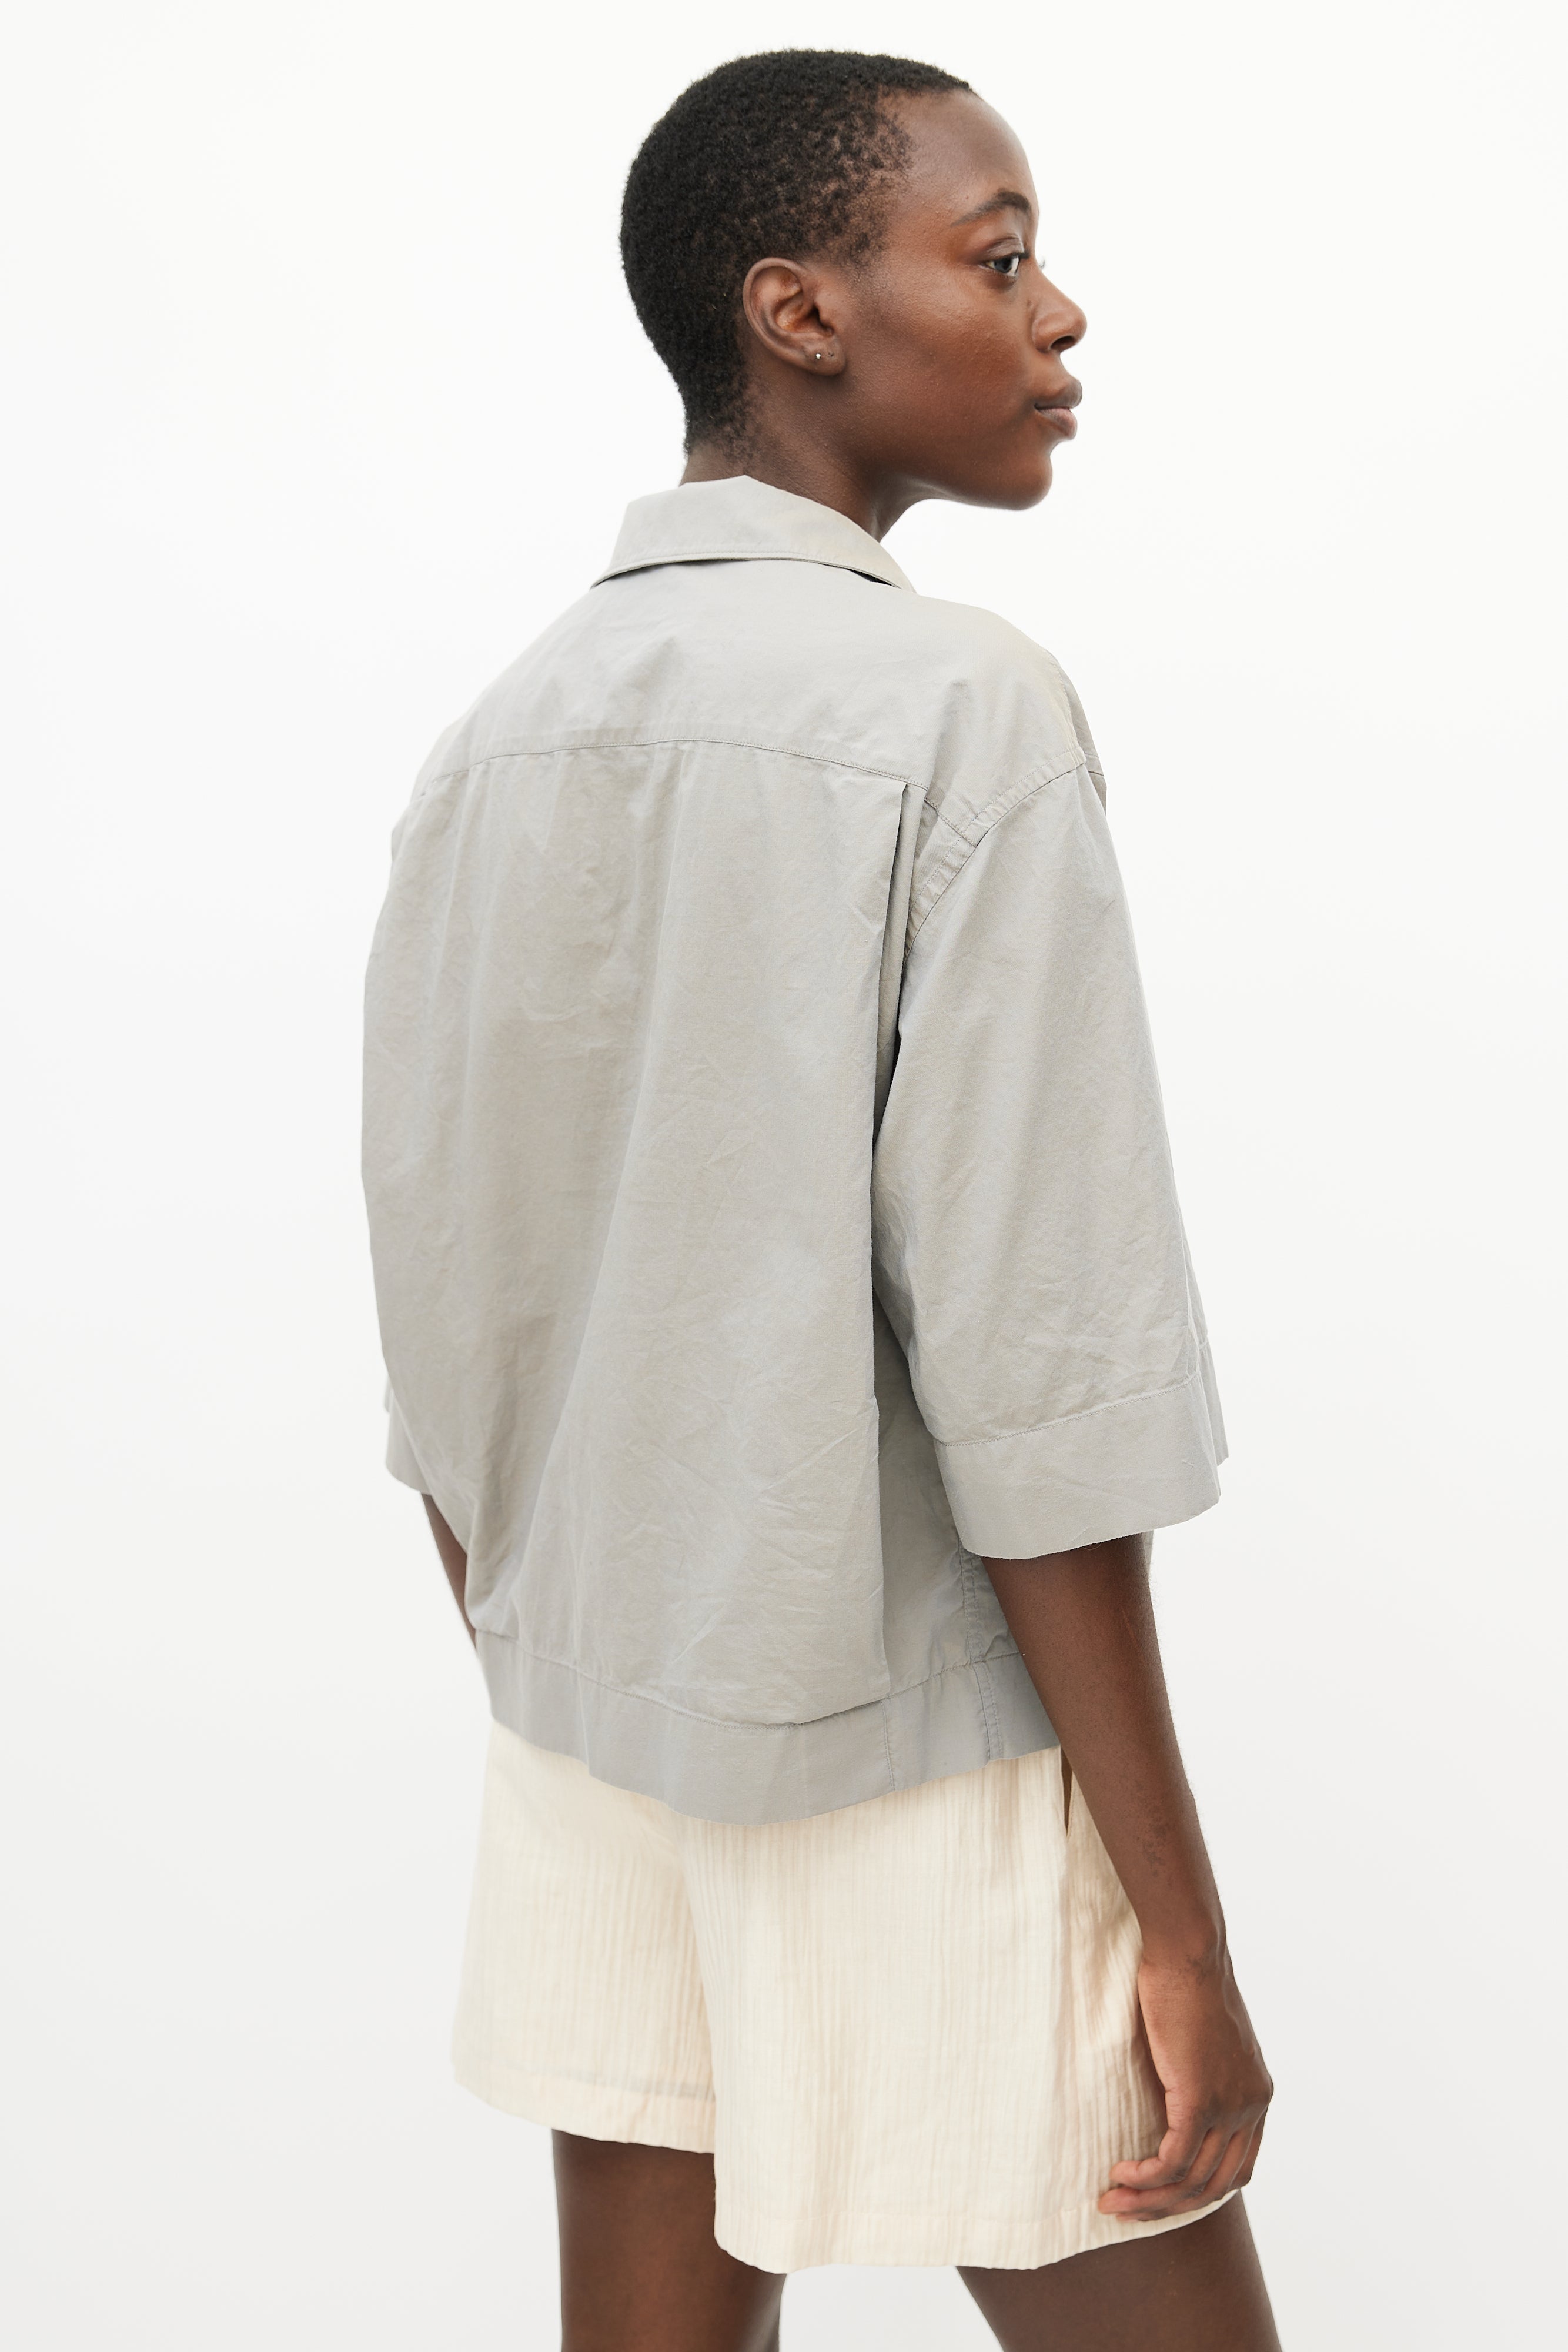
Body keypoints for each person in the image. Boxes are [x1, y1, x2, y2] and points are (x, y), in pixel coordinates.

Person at [362, 47, 1280, 2352]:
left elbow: (445, 1318)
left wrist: (575, 1667)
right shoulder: (959, 712)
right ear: (795, 311)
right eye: (998, 256)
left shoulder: (497, 737)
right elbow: (1040, 1382)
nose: (1057, 313)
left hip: (596, 1738)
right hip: (917, 1739)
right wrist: (1177, 1927)